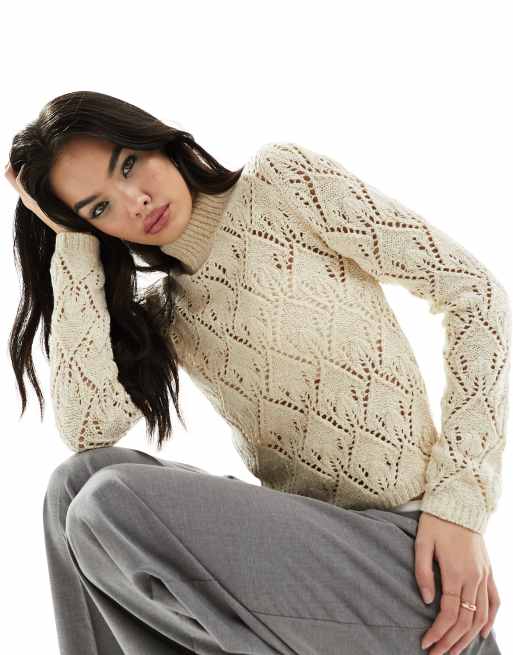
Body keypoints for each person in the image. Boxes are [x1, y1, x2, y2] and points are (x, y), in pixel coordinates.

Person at [5, 90, 507, 654]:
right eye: (99, 209)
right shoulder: (166, 313)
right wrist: (73, 248)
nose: (135, 201)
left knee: (109, 500)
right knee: (75, 485)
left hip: (412, 564)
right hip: (313, 568)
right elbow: (88, 428)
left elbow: (476, 296)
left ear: (157, 139)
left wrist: (459, 506)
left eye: (128, 165)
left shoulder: (282, 183)